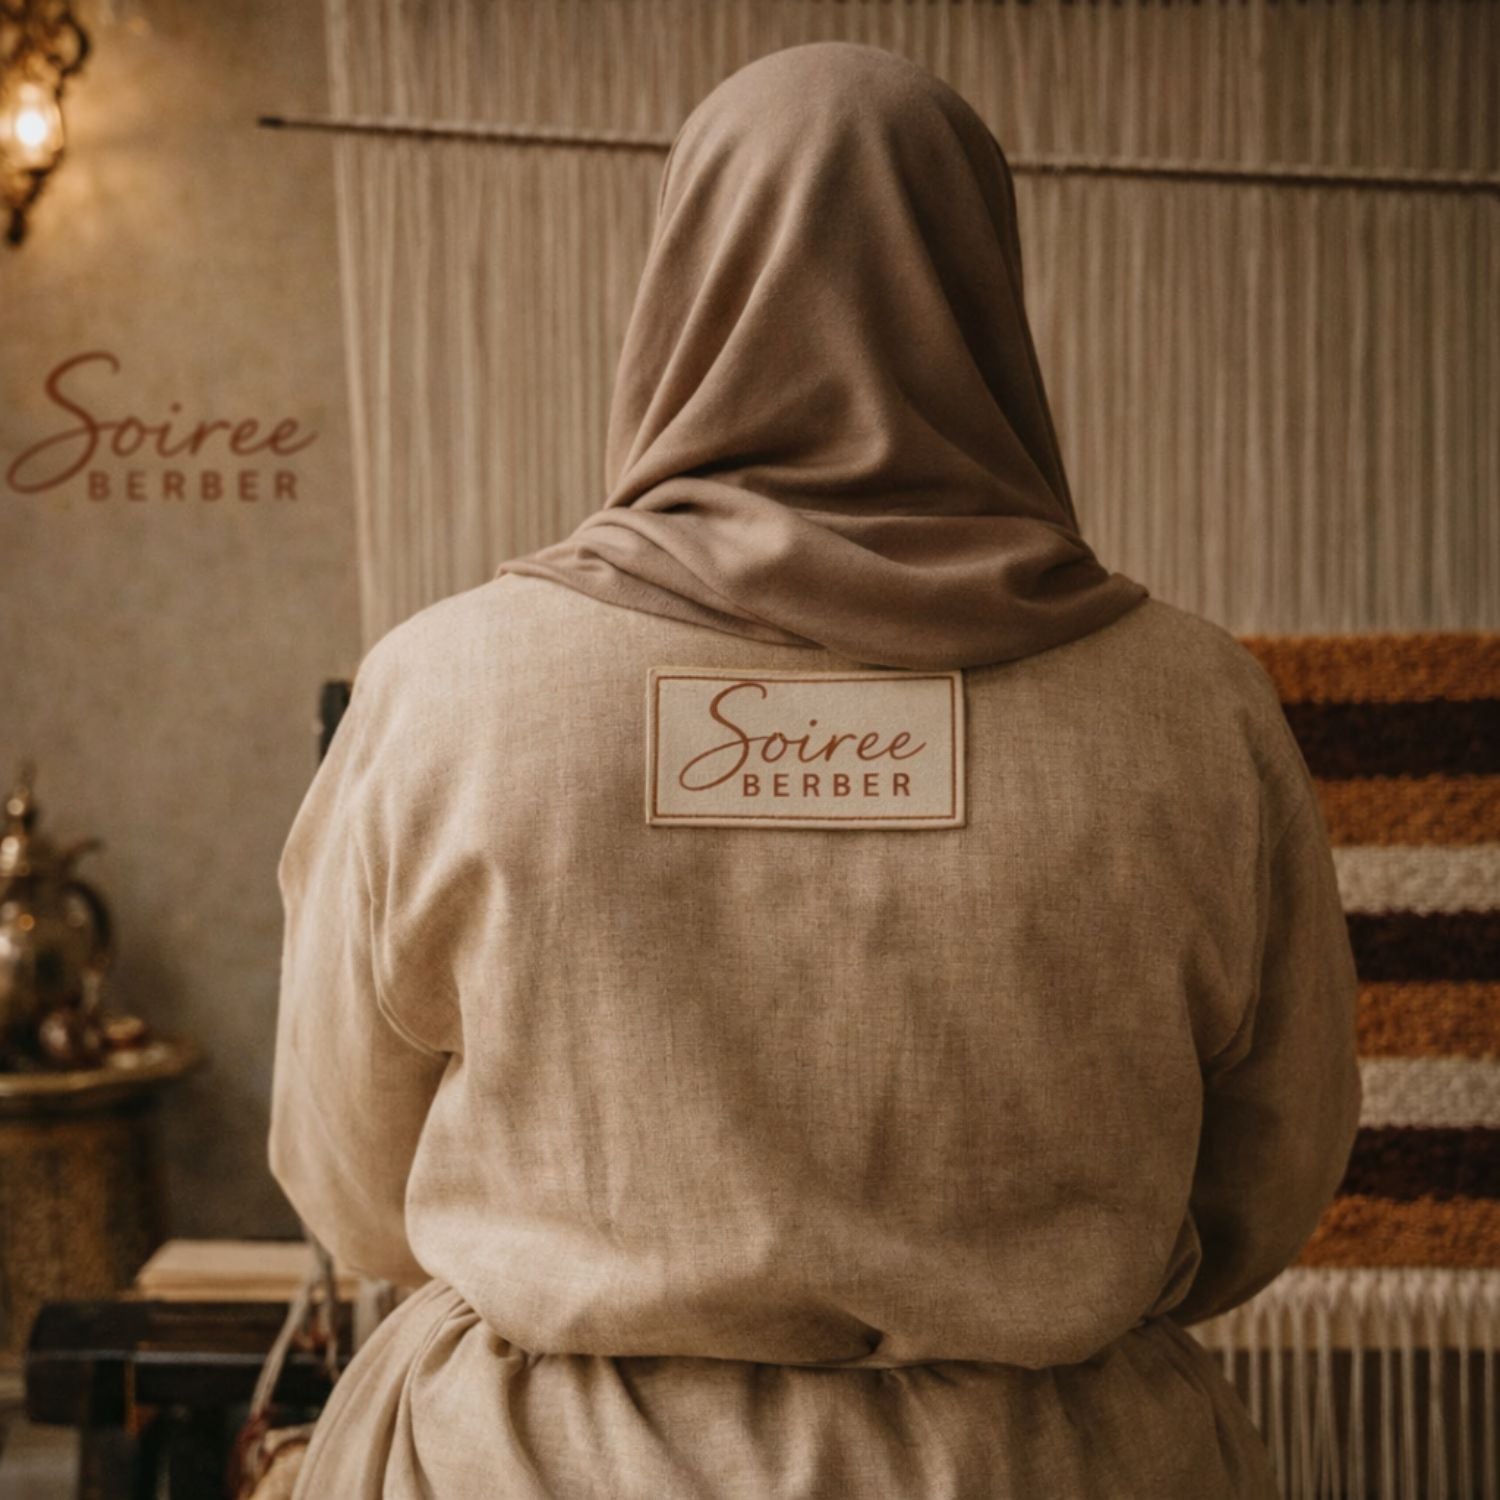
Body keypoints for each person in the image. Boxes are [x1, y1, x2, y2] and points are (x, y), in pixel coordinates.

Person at [268, 39, 1361, 1498]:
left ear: (686, 286)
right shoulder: (1197, 708)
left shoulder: (449, 687)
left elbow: (353, 1188)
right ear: (985, 295)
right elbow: (1269, 1183)